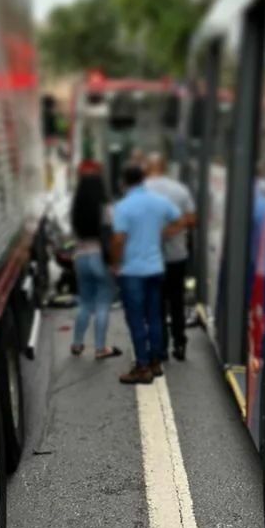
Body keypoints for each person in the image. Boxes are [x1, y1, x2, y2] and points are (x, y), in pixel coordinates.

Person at [110, 164, 184, 384]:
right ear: (143, 179)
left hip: (132, 271)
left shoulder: (123, 206)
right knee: (154, 317)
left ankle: (142, 367)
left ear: (124, 182)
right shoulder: (158, 202)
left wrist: (114, 263)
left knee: (136, 320)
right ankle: (155, 362)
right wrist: (163, 233)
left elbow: (118, 239)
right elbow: (181, 220)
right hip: (155, 268)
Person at [145, 152, 197, 361]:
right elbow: (193, 218)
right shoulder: (180, 189)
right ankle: (180, 344)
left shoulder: (143, 190)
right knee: (176, 301)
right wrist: (173, 229)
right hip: (177, 255)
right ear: (165, 167)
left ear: (148, 168)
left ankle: (161, 347)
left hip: (151, 256)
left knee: (156, 303)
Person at [70, 170, 122, 360]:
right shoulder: (107, 209)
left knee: (84, 303)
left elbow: (73, 235)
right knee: (102, 304)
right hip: (100, 257)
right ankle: (100, 348)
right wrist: (115, 262)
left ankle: (77, 343)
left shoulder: (77, 210)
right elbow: (113, 234)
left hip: (81, 257)